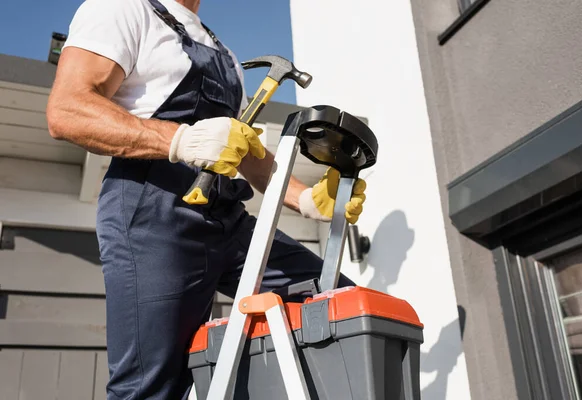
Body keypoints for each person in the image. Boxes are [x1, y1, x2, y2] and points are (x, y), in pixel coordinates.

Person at [46, 0, 367, 398]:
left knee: (340, 304)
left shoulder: (224, 53)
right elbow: (67, 109)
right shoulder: (122, 9)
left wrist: (306, 199)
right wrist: (180, 139)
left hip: (226, 218)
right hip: (154, 215)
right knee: (151, 387)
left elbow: (242, 148)